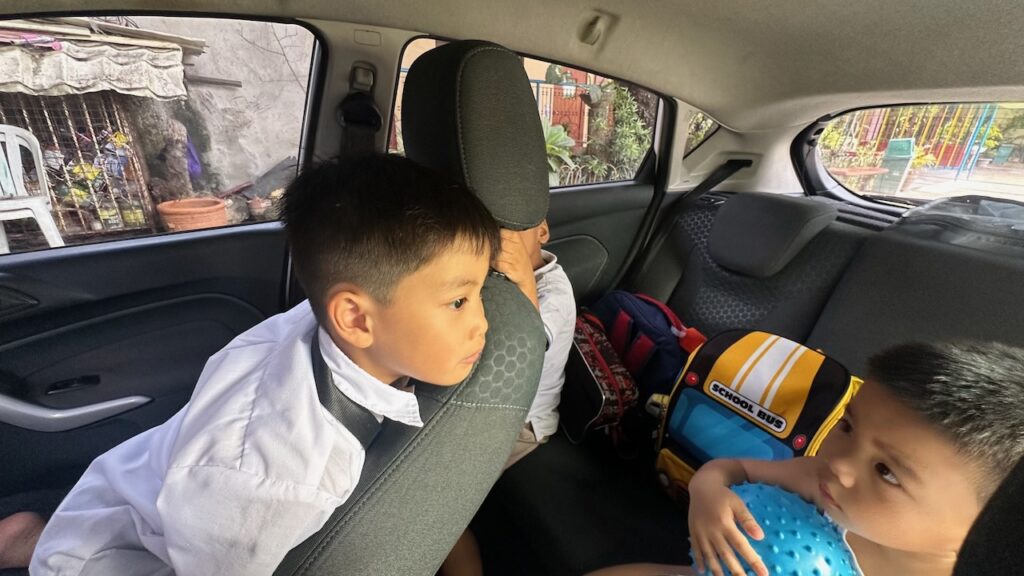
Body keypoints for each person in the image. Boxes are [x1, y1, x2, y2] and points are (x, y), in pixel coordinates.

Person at [29, 154, 501, 576]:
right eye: (458, 302)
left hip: (134, 490)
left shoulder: (337, 334)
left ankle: (38, 535)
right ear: (356, 319)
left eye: (480, 291)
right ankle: (41, 543)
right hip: (127, 555)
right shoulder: (272, 475)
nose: (483, 322)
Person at [588, 341, 1024, 576]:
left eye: (886, 471)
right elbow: (732, 470)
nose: (841, 464)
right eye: (848, 427)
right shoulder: (820, 479)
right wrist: (707, 493)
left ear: (986, 527)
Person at [441, 219, 576, 576]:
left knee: (440, 504)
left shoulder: (554, 290)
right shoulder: (486, 276)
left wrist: (525, 281)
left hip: (524, 423)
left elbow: (526, 350)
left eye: (513, 229)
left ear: (542, 232)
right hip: (482, 406)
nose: (501, 239)